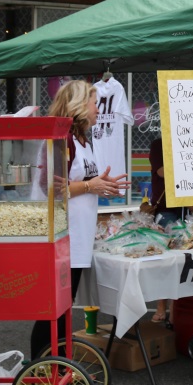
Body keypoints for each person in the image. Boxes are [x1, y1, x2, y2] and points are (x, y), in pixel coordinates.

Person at [30, 80, 127, 357]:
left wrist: (101, 185)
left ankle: (59, 365)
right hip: (62, 236)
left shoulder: (83, 139)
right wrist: (89, 185)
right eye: (94, 103)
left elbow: (77, 182)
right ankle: (45, 365)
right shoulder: (62, 140)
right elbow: (51, 187)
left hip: (78, 238)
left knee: (64, 305)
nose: (98, 109)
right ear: (80, 105)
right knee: (54, 308)